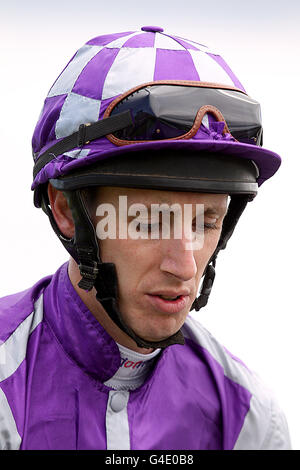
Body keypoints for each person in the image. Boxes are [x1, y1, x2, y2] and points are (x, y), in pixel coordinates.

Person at [0, 26, 291, 450]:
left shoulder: (250, 418)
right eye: (151, 221)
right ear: (65, 210)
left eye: (206, 222)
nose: (185, 266)